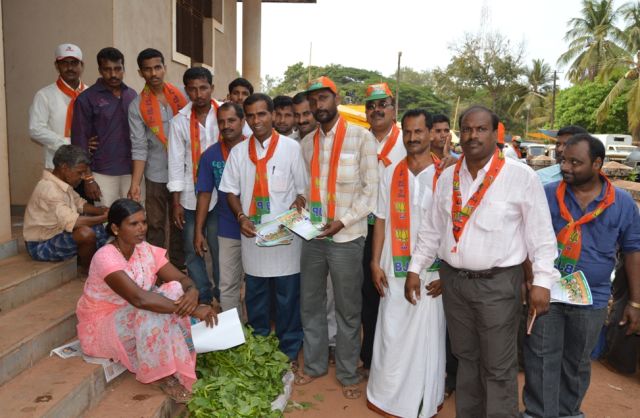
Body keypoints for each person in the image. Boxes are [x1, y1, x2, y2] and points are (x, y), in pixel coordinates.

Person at [404, 105, 559, 417]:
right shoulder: (447, 177)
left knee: (498, 367)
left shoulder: (520, 176)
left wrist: (542, 282)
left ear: (494, 134)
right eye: (467, 129)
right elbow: (432, 230)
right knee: (466, 359)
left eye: (481, 129)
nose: (472, 135)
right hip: (455, 283)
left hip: (498, 285)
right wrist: (414, 268)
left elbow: (540, 235)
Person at [522, 134, 640, 418]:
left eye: (576, 162)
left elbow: (633, 251)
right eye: (564, 160)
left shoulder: (621, 203)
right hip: (546, 291)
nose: (567, 167)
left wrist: (635, 302)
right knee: (540, 358)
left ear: (597, 164)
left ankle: (567, 413)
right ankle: (539, 414)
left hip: (592, 299)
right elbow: (526, 240)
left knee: (576, 363)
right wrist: (529, 281)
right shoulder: (547, 194)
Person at [76, 198, 217, 404]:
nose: (141, 228)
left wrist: (192, 291)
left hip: (134, 316)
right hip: (103, 327)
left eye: (143, 222)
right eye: (133, 224)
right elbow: (139, 299)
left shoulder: (145, 249)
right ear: (115, 228)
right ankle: (163, 376)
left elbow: (181, 279)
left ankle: (178, 359)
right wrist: (194, 310)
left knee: (173, 289)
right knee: (151, 308)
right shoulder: (105, 257)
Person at [296, 76, 378, 400]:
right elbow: (308, 187)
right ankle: (315, 365)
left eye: (323, 98)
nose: (318, 105)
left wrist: (341, 222)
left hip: (348, 237)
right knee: (311, 303)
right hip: (313, 236)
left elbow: (371, 193)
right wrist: (300, 201)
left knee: (348, 309)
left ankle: (347, 371)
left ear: (336, 98)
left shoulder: (361, 138)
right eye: (313, 100)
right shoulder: (306, 144)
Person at [366, 109, 446, 417]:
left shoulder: (445, 173)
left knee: (427, 335)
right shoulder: (390, 171)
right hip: (392, 266)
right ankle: (387, 397)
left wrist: (448, 274)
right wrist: (374, 262)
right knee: (391, 330)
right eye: (408, 132)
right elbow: (381, 221)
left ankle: (423, 399)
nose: (413, 138)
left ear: (430, 134)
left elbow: (453, 226)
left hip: (431, 270)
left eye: (419, 132)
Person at [218, 93, 307, 364]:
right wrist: (241, 217)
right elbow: (230, 192)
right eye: (251, 116)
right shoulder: (238, 152)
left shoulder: (291, 149)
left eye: (262, 114)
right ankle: (258, 344)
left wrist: (298, 204)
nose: (257, 121)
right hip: (253, 233)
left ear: (273, 116)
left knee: (287, 296)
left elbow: (303, 191)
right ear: (246, 119)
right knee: (255, 294)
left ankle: (288, 348)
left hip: (286, 236)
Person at [360, 82, 406, 378]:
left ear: (394, 109)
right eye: (371, 106)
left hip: (397, 229)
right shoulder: (360, 140)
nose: (377, 110)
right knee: (367, 293)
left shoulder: (407, 140)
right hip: (363, 228)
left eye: (383, 104)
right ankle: (369, 358)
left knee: (395, 291)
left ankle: (397, 357)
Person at [128, 48, 187, 269]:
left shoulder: (182, 96)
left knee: (180, 221)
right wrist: (135, 183)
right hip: (156, 173)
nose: (153, 73)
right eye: (147, 69)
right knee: (154, 224)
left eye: (157, 67)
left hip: (184, 172)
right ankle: (155, 268)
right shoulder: (137, 105)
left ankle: (179, 266)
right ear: (140, 73)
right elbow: (139, 146)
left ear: (164, 68)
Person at [168, 67, 220, 304]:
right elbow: (176, 162)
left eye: (203, 88)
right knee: (191, 249)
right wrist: (176, 201)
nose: (198, 94)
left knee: (221, 249)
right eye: (193, 89)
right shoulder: (179, 121)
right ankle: (203, 295)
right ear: (186, 90)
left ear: (211, 87)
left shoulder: (226, 114)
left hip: (223, 194)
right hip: (190, 194)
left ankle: (224, 294)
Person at [194, 102, 246, 314]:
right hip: (227, 228)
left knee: (256, 282)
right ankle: (235, 335)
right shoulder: (210, 155)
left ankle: (257, 329)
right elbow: (205, 194)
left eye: (231, 120)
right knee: (227, 284)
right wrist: (199, 231)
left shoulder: (254, 149)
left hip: (257, 227)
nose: (226, 125)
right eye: (222, 121)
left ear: (242, 122)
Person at [23, 145, 108, 272]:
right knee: (85, 233)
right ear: (64, 168)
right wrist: (104, 217)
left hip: (58, 233)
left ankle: (94, 260)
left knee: (96, 226)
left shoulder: (60, 183)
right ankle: (88, 270)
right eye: (79, 172)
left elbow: (80, 204)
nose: (83, 177)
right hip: (40, 245)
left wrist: (102, 210)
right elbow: (74, 222)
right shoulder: (49, 189)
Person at [71, 47, 137, 207]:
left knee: (134, 218)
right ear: (100, 70)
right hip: (102, 172)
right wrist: (88, 178)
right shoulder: (86, 99)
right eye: (107, 69)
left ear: (123, 69)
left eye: (117, 69)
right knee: (107, 219)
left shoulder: (132, 95)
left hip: (132, 172)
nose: (113, 74)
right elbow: (79, 142)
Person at [29, 43, 86, 170]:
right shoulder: (44, 95)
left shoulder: (90, 94)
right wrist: (68, 143)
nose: (70, 67)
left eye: (74, 63)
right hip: (57, 165)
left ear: (82, 65)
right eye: (64, 63)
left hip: (86, 166)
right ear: (57, 66)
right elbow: (35, 129)